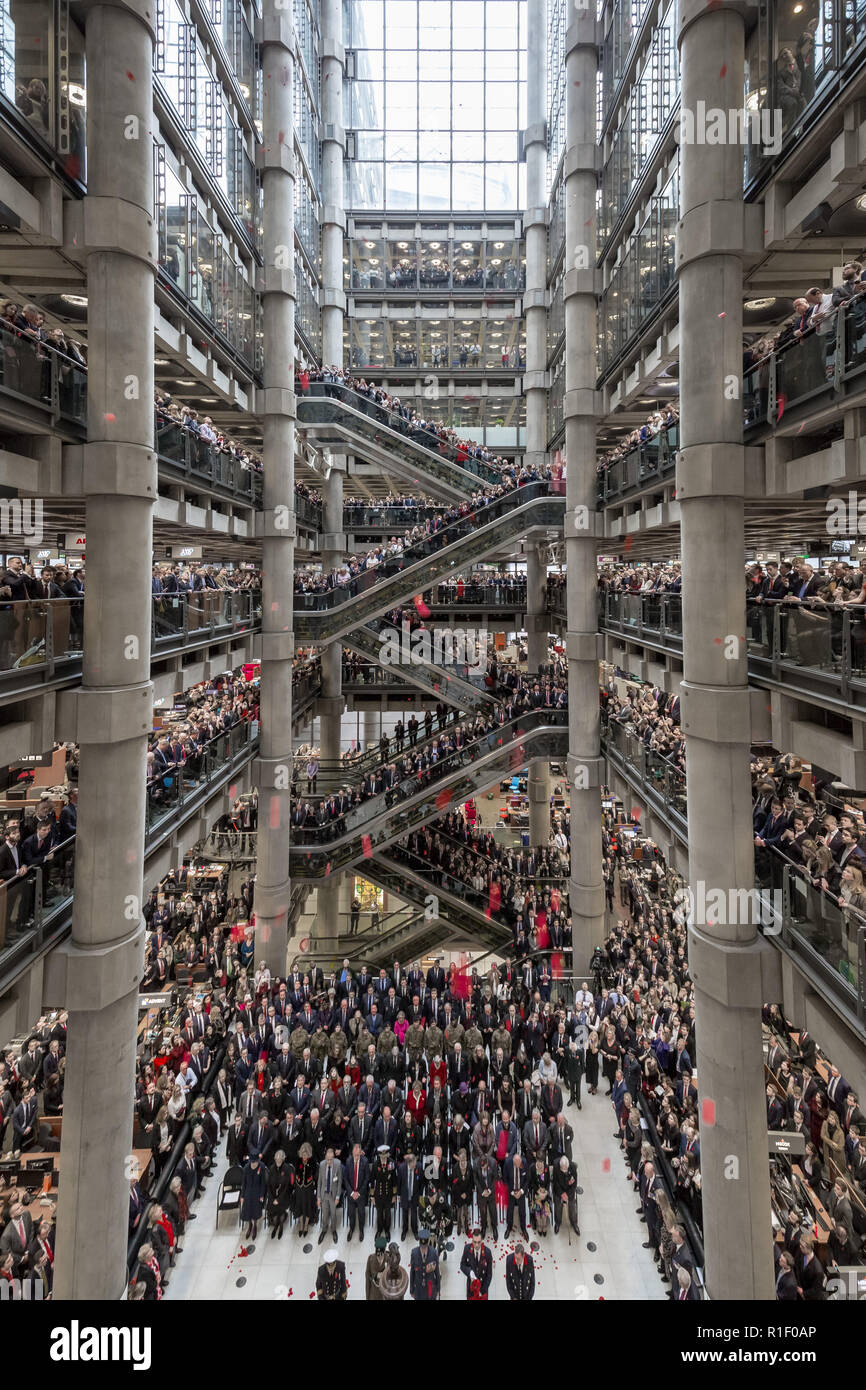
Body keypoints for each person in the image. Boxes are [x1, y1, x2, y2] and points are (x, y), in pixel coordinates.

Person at [316, 1146, 342, 1245]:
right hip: (324, 1194)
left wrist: (338, 1196)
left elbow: (339, 1182)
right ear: (325, 1157)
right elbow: (319, 1183)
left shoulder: (338, 1164)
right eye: (328, 1159)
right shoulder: (322, 1165)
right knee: (325, 1214)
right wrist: (318, 1197)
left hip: (333, 1195)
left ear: (334, 1158)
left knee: (333, 1214)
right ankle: (324, 1229)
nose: (329, 1162)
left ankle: (333, 1230)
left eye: (331, 1159)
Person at [459, 1227, 493, 1300]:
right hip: (471, 1289)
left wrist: (482, 1290)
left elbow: (489, 1274)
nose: (477, 1245)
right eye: (474, 1242)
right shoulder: (467, 1249)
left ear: (482, 1240)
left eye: (479, 1242)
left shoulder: (487, 1253)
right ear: (472, 1240)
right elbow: (462, 1265)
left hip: (483, 1289)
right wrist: (469, 1272)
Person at [240, 1154, 267, 1240]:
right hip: (248, 1191)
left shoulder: (261, 1166)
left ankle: (255, 1225)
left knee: (255, 1209)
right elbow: (244, 1183)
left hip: (257, 1191)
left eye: (255, 1162)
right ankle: (250, 1225)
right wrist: (242, 1195)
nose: (254, 1164)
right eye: (253, 1162)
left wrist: (262, 1195)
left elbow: (263, 1182)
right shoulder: (246, 1168)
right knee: (248, 1209)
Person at [409, 1227, 440, 1301]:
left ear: (428, 1242)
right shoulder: (414, 1253)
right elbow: (412, 1272)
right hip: (418, 1289)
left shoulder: (434, 1253)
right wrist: (411, 1289)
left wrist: (438, 1289)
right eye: (422, 1247)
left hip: (430, 1287)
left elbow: (437, 1273)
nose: (423, 1249)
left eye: (425, 1247)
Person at [366, 1234, 388, 1300]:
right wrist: (376, 1275)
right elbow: (368, 1276)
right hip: (374, 1293)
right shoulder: (371, 1259)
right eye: (378, 1255)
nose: (379, 1258)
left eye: (381, 1255)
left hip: (384, 1292)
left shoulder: (388, 1259)